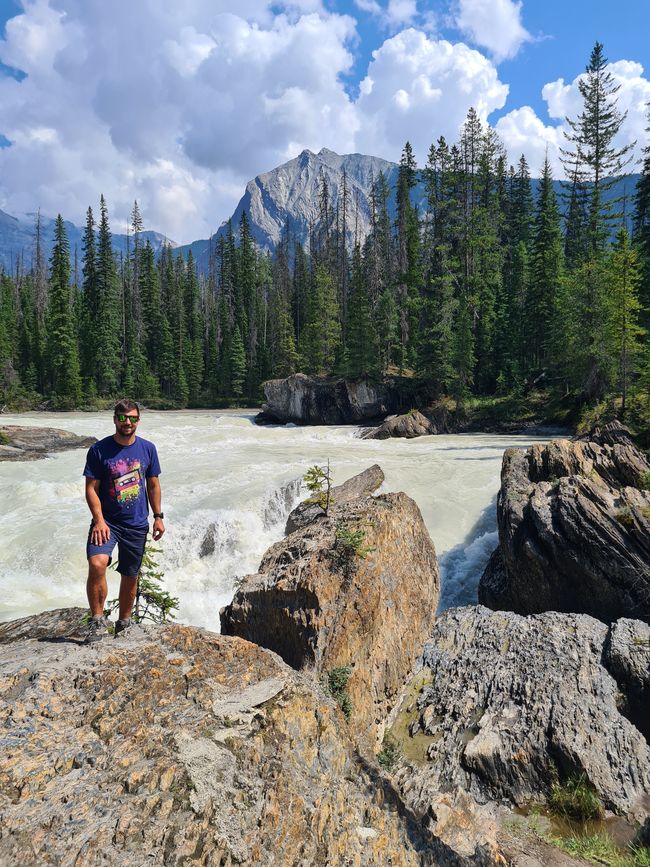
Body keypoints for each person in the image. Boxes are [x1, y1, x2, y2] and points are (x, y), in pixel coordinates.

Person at [82, 399, 165, 643]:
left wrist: (158, 517)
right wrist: (98, 520)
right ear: (115, 418)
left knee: (130, 574)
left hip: (137, 523)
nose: (127, 422)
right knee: (97, 564)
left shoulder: (148, 449)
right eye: (122, 417)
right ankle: (97, 621)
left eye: (132, 418)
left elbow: (153, 484)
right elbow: (90, 489)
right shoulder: (99, 450)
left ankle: (124, 623)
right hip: (107, 521)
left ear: (138, 420)